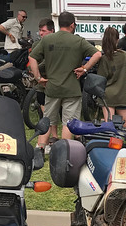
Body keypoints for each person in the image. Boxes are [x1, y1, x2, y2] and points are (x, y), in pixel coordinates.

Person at [28, 11, 101, 150]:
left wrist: (38, 78)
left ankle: (40, 149)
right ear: (72, 25)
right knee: (69, 122)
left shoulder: (47, 40)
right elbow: (97, 54)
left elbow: (32, 57)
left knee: (47, 120)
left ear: (58, 24)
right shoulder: (78, 41)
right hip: (71, 89)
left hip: (52, 87)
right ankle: (63, 151)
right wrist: (85, 68)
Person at [97, 26, 126, 126]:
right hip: (122, 95)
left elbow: (101, 78)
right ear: (117, 39)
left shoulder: (104, 58)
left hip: (108, 96)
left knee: (109, 126)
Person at [33, 17, 58, 144]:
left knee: (52, 116)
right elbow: (34, 62)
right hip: (42, 85)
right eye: (40, 31)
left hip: (55, 85)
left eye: (43, 30)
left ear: (52, 31)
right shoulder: (37, 45)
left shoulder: (57, 44)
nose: (41, 33)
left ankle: (53, 138)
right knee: (46, 116)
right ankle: (45, 143)